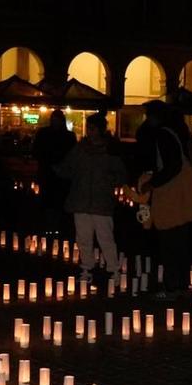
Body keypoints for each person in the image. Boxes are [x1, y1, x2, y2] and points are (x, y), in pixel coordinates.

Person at [133, 102, 192, 298]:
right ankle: (181, 285)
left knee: (169, 243)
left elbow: (172, 167)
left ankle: (172, 286)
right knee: (179, 243)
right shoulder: (175, 133)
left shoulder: (162, 135)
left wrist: (153, 182)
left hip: (170, 197)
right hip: (178, 197)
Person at [58, 117, 127, 281]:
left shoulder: (110, 151)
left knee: (105, 237)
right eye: (88, 128)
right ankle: (86, 268)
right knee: (83, 238)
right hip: (81, 199)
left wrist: (110, 180)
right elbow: (68, 167)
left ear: (101, 130)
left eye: (93, 128)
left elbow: (121, 174)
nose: (90, 132)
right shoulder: (80, 149)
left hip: (101, 200)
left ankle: (113, 270)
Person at [32, 110, 76, 236]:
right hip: (54, 175)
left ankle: (51, 228)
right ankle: (55, 228)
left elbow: (36, 151)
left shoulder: (44, 134)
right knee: (54, 202)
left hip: (52, 174)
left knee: (52, 202)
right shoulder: (67, 136)